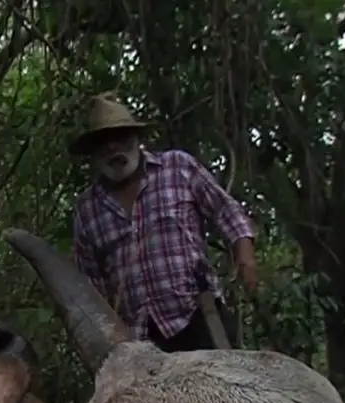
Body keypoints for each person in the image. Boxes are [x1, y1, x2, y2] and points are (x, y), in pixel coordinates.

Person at [70, 92, 259, 352]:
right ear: (94, 152)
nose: (113, 148)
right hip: (141, 341)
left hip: (197, 317)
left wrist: (245, 255)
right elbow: (91, 285)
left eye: (121, 138)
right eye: (104, 142)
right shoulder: (87, 209)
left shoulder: (177, 168)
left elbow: (226, 210)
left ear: (137, 139)